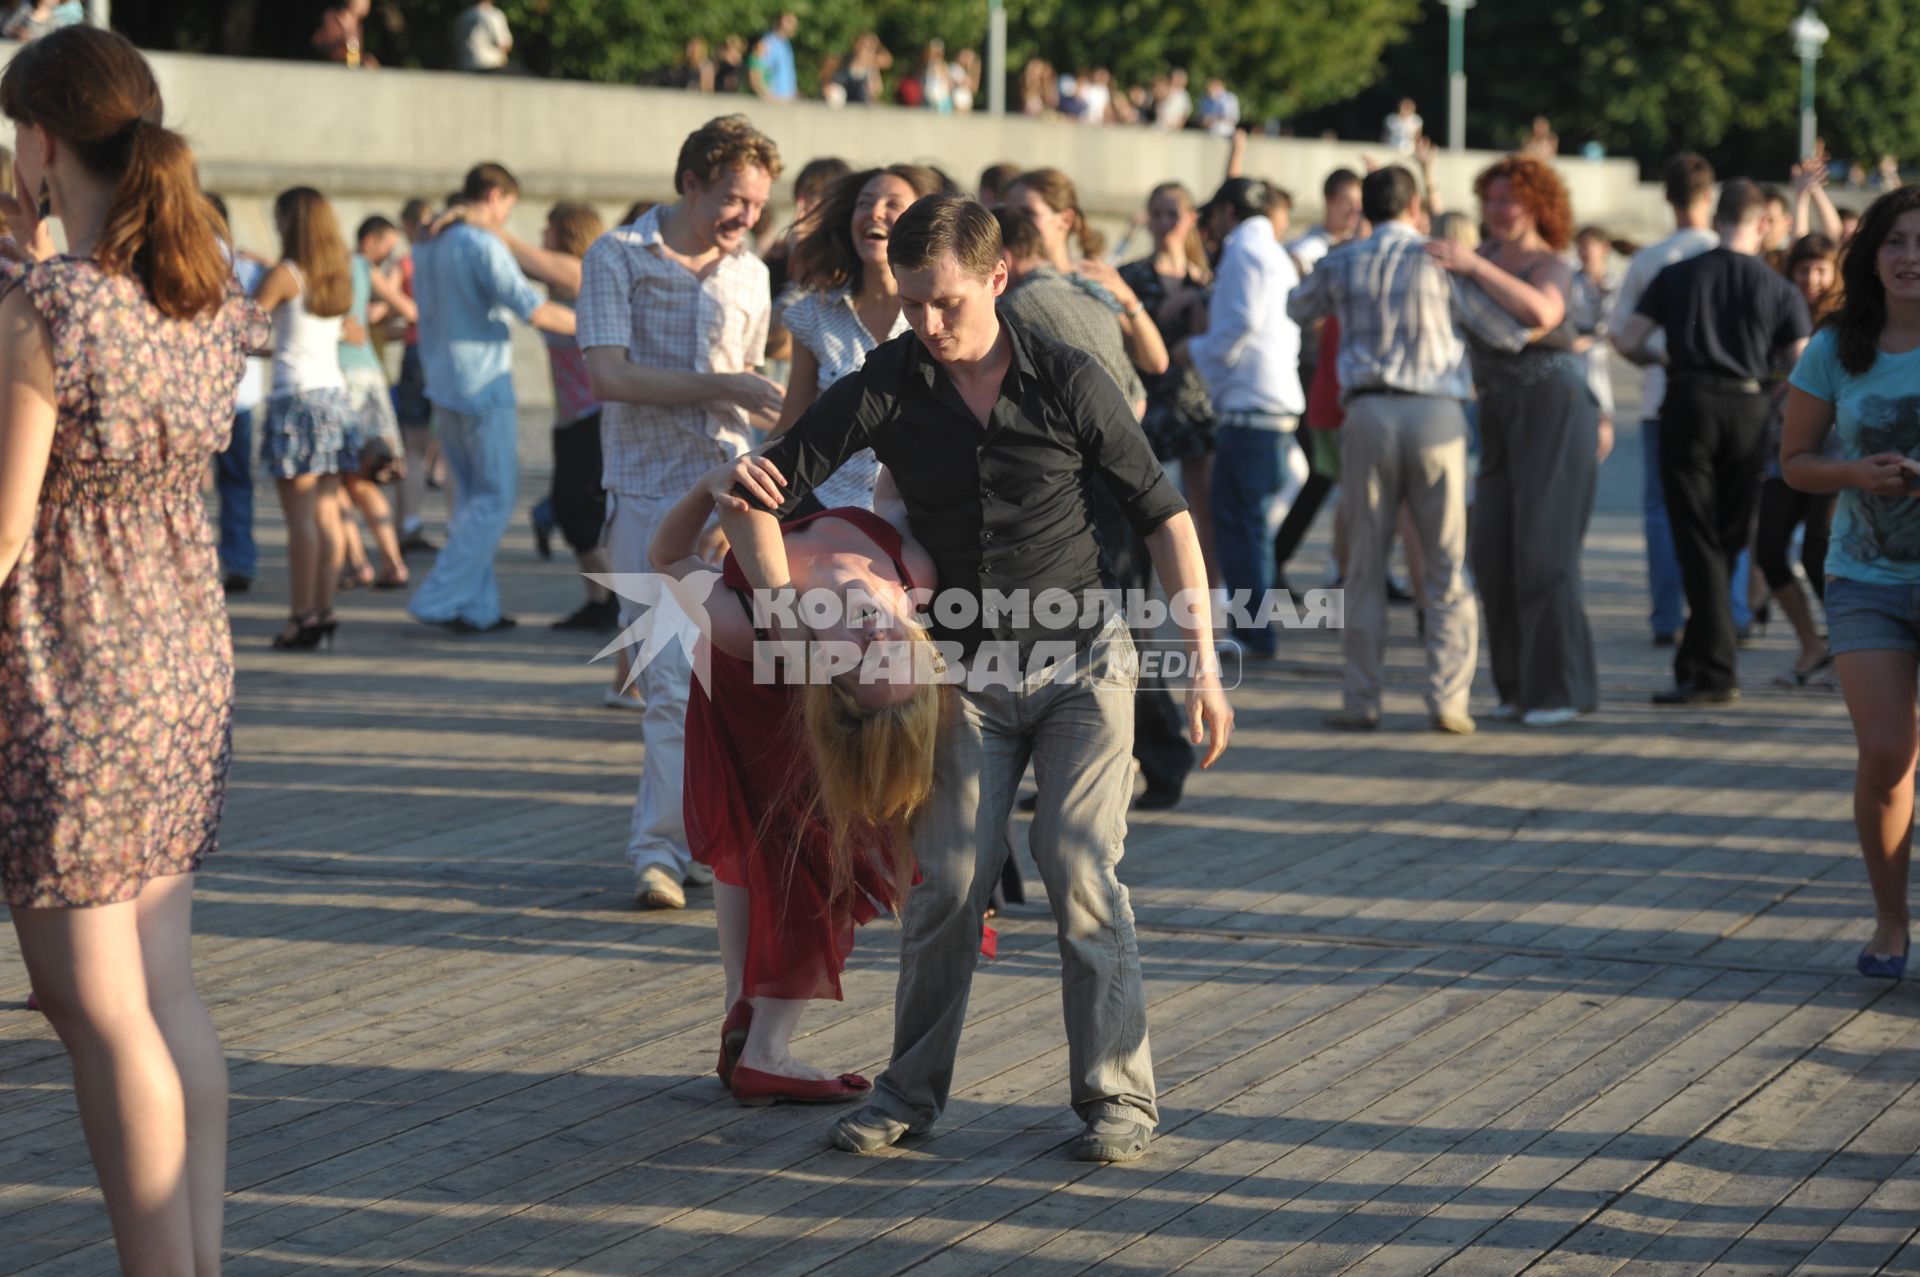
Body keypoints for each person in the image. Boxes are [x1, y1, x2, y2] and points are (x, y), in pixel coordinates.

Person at [722, 193, 1232, 1164]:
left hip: (1084, 661)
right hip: (965, 674)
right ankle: (909, 1092)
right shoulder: (893, 379)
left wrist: (1200, 665)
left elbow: (1168, 520)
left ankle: (1117, 1097)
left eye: (945, 301)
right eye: (911, 302)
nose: (927, 322)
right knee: (947, 879)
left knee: (1079, 860)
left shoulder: (1067, 377)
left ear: (999, 277)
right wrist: (781, 597)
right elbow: (766, 484)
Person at [0, 28, 266, 1274]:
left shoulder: (47, 305)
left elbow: (6, 529)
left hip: (76, 669)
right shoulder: (205, 297)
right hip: (181, 663)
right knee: (159, 992)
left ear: (42, 139)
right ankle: (193, 1260)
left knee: (94, 1006)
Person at [654, 459, 942, 1102]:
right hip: (743, 688)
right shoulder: (910, 575)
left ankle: (764, 1044)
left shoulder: (753, 624)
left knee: (807, 853)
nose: (875, 631)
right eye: (893, 643)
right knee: (751, 843)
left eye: (862, 653)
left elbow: (668, 556)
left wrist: (705, 490)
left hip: (764, 680)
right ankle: (744, 1008)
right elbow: (895, 485)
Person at [577, 116, 784, 910]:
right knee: (666, 679)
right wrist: (726, 385)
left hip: (733, 497)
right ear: (691, 181)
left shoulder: (753, 273)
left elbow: (756, 374)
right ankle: (656, 852)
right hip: (647, 488)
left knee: (731, 681)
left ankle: (707, 842)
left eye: (757, 204)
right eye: (734, 198)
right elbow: (608, 376)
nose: (745, 218)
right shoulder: (616, 258)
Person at [1289, 165, 1531, 733]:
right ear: (1416, 204)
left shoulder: (1343, 258)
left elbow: (1298, 309)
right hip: (1436, 414)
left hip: (1367, 412)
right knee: (1446, 563)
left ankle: (1362, 699)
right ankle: (1448, 699)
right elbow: (1501, 331)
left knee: (1365, 565)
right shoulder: (1439, 258)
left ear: (1364, 209)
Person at [1000, 210, 1195, 812]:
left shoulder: (1021, 308)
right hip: (1125, 469)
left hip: (1088, 479)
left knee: (1109, 626)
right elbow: (1138, 384)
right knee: (1120, 620)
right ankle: (1108, 763)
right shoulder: (1084, 294)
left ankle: (1160, 755)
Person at [1780, 186, 1920, 981]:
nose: (1910, 258)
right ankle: (1891, 919)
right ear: (1870, 255)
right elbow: (1795, 463)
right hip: (1864, 575)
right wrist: (1854, 472)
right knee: (1888, 752)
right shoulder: (1837, 346)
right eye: (1896, 241)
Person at [1613, 179, 1812, 706]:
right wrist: (1773, 394)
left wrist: (1666, 360)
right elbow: (1803, 364)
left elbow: (1627, 340)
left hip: (1688, 399)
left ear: (1717, 215)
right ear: (1763, 223)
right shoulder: (1778, 287)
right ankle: (1704, 664)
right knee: (1725, 536)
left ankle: (1711, 669)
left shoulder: (1676, 274)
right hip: (1749, 406)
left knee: (1695, 532)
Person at [1440, 156, 1600, 728]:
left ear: (1537, 205)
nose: (1498, 210)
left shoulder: (1547, 263)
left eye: (1511, 200)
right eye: (1492, 199)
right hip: (1499, 415)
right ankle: (1516, 687)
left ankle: (1558, 690)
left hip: (1555, 408)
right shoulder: (1477, 258)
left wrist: (1472, 269)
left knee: (1543, 552)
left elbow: (1545, 309)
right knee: (1493, 552)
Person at [407, 163, 575, 634]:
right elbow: (533, 309)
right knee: (496, 498)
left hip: (442, 377)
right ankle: (439, 597)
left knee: (468, 500)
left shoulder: (428, 240)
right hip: (482, 381)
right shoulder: (482, 243)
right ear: (496, 195)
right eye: (508, 207)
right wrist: (597, 327)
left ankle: (477, 608)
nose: (506, 218)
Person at [1609, 153, 1752, 648]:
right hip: (1735, 400)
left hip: (1664, 399)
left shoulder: (1651, 260)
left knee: (1662, 511)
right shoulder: (1734, 254)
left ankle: (1667, 615)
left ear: (1666, 197)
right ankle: (1729, 612)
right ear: (1709, 194)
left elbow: (1621, 335)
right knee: (1728, 511)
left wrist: (1664, 358)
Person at [776, 164, 948, 510]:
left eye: (892, 203)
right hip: (828, 512)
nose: (875, 212)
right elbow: (791, 426)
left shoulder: (947, 312)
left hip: (924, 515)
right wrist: (737, 492)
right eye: (864, 203)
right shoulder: (813, 314)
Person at [1188, 177, 1305, 661]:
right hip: (1269, 402)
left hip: (1251, 406)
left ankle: (1255, 633)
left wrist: (1193, 351)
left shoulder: (1242, 250)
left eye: (1214, 214)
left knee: (1240, 523)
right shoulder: (1271, 249)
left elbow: (1239, 323)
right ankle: (1255, 628)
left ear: (1229, 213)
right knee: (1249, 522)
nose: (1210, 225)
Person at [252, 187, 357, 651]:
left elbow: (244, 329)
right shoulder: (336, 275)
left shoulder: (285, 274)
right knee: (328, 513)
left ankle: (301, 616)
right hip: (334, 395)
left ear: (289, 221)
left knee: (300, 521)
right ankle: (325, 607)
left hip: (294, 398)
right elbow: (348, 332)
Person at [1119, 183, 1218, 586]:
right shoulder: (1133, 275)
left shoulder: (1208, 280)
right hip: (1148, 400)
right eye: (1156, 214)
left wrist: (1197, 303)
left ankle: (1212, 597)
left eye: (1171, 214)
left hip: (1194, 399)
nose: (1163, 223)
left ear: (1191, 218)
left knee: (1204, 504)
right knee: (1143, 507)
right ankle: (1139, 595)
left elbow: (1214, 341)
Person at [1757, 232, 1842, 687]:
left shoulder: (1846, 325)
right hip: (1781, 453)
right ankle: (1813, 645)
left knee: (1817, 554)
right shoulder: (1778, 312)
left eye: (1820, 269)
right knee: (1769, 549)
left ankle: (1851, 651)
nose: (1811, 278)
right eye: (1802, 269)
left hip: (1835, 457)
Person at [1003, 167, 1168, 381]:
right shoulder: (999, 280)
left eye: (1028, 213)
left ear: (1065, 219)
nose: (1015, 224)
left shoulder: (1090, 279)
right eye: (1010, 214)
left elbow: (1156, 362)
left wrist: (1129, 301)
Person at [335, 213, 409, 593]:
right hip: (372, 374)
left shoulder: (336, 265)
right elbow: (408, 308)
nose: (391, 251)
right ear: (369, 240)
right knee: (368, 479)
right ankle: (394, 564)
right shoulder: (365, 267)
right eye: (387, 244)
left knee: (338, 482)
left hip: (341, 376)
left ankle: (357, 563)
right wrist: (374, 316)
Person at [207, 192, 268, 596]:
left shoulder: (183, 258)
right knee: (236, 482)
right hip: (240, 391)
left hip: (199, 390)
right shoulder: (246, 267)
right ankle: (239, 558)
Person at [390, 196, 436, 555]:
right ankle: (457, 524)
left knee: (413, 446)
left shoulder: (406, 263)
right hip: (446, 354)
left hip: (416, 352)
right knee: (448, 448)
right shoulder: (444, 261)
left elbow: (383, 299)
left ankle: (408, 520)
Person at [1570, 225, 1620, 466]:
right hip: (1572, 354)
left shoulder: (1614, 285)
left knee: (1602, 428)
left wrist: (1591, 339)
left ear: (1603, 248)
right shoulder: (1570, 281)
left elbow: (1614, 325)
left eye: (1586, 245)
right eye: (1579, 246)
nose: (1582, 252)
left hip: (1597, 358)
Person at [748, 11, 799, 102]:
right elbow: (755, 70)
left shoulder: (786, 44)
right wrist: (766, 95)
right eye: (789, 20)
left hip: (786, 100)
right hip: (773, 101)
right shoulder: (767, 43)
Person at [312, 0, 378, 68]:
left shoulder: (358, 25)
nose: (367, 5)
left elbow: (355, 54)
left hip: (348, 71)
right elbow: (320, 43)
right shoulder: (332, 18)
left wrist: (364, 59)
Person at [455, 0, 511, 73]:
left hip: (467, 63)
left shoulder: (464, 15)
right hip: (491, 64)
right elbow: (502, 43)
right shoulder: (494, 14)